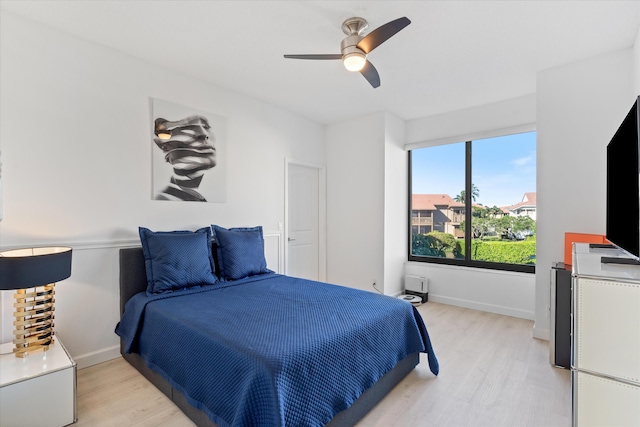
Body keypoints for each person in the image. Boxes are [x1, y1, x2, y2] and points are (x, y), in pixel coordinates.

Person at [153, 115, 217, 201]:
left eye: (206, 126)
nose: (204, 134)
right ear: (165, 146)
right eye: (186, 127)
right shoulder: (166, 198)